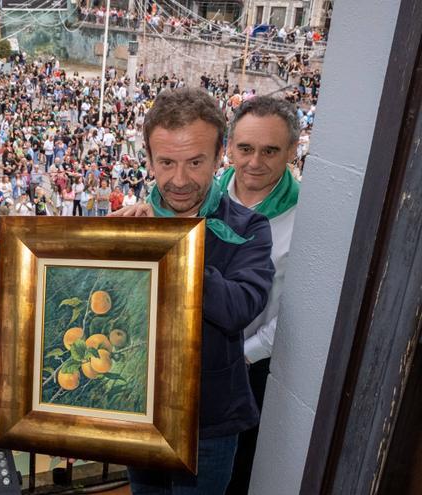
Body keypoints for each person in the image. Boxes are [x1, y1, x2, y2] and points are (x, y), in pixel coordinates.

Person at [110, 88, 275, 494]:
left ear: (219, 157)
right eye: (166, 162)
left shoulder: (249, 227)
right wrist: (107, 248)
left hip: (211, 420)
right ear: (148, 160)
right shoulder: (131, 223)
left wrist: (170, 245)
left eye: (195, 162)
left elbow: (239, 309)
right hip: (141, 410)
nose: (179, 180)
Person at [221, 97, 301, 495]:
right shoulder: (202, 197)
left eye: (270, 150)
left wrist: (245, 352)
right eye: (245, 148)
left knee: (235, 468)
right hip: (191, 354)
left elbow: (294, 310)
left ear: (292, 150)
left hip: (251, 364)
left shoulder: (306, 217)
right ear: (230, 146)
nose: (255, 162)